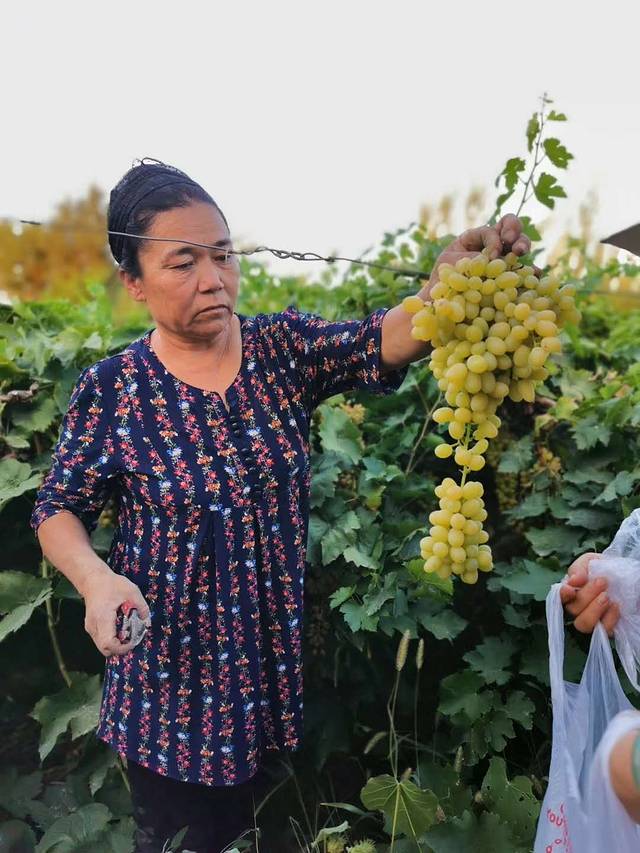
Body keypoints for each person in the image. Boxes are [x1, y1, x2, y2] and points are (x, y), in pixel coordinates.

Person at [30, 157, 531, 852]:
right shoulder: (114, 389)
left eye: (223, 254)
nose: (214, 279)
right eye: (183, 263)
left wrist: (445, 284)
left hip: (266, 679)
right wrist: (95, 579)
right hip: (168, 695)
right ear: (134, 283)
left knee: (268, 830)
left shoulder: (280, 351)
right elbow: (58, 507)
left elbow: (384, 339)